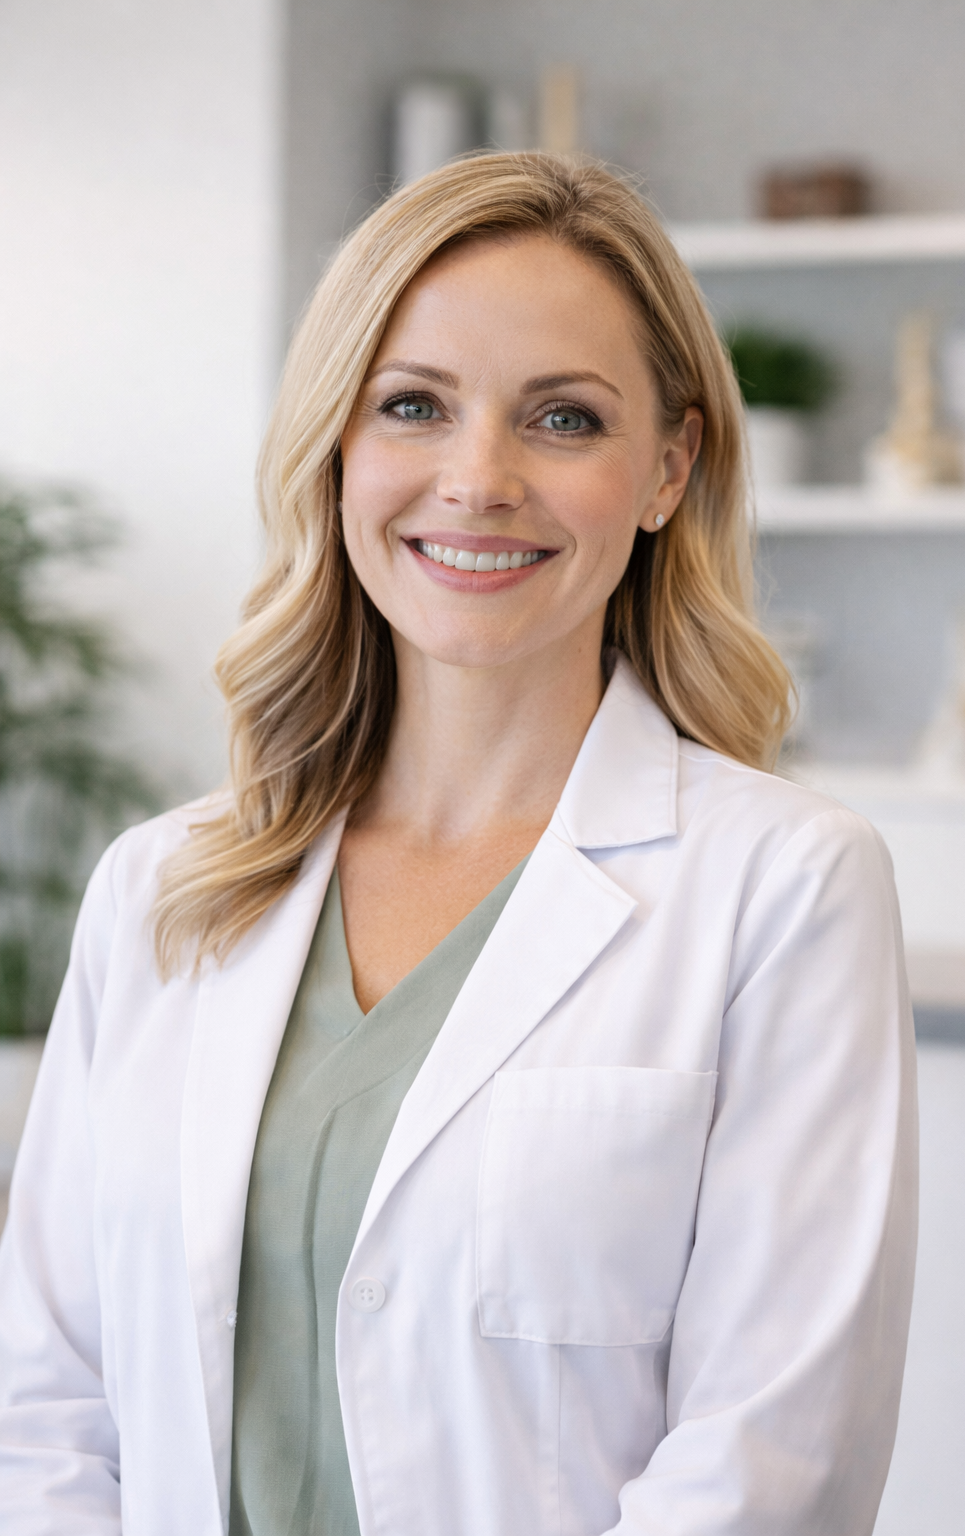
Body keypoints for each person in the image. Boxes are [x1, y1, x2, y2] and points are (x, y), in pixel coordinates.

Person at [0, 154, 917, 1536]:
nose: (478, 480)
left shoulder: (784, 888)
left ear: (668, 467)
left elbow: (770, 1465)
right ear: (339, 447)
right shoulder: (163, 888)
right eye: (414, 406)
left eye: (562, 418)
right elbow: (46, 1406)